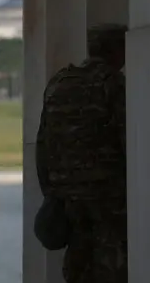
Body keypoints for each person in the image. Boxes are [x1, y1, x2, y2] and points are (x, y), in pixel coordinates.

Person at [36, 23, 128, 283]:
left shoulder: (59, 83)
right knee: (112, 264)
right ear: (118, 51)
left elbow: (43, 143)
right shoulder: (112, 83)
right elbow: (126, 136)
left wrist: (51, 192)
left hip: (66, 195)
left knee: (78, 260)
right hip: (106, 193)